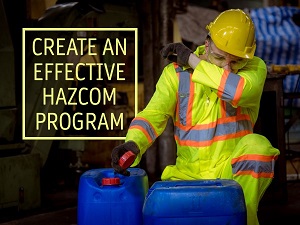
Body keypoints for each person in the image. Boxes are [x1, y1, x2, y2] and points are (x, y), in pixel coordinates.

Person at [111, 9, 280, 225]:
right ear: (206, 43)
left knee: (259, 147)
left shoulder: (255, 67)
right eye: (219, 57)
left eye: (235, 62)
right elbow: (153, 115)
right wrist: (133, 143)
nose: (226, 67)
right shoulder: (176, 74)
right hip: (186, 175)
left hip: (230, 176)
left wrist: (192, 60)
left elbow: (237, 91)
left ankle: (241, 218)